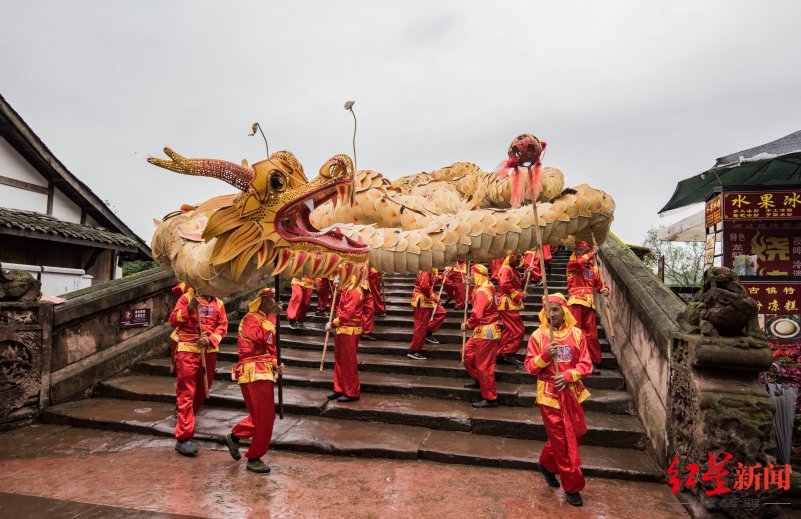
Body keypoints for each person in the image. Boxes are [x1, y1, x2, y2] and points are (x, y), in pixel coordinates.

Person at [524, 293, 592, 507]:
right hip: (549, 395)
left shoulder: (578, 334)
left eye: (555, 309)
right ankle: (572, 486)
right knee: (563, 440)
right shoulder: (538, 336)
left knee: (576, 433)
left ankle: (546, 463)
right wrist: (545, 355)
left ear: (564, 311)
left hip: (573, 392)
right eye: (548, 309)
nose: (551, 314)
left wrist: (569, 375)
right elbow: (530, 367)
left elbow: (586, 364)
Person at [225, 288, 285, 474]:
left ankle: (235, 437)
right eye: (272, 300)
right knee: (265, 417)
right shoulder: (251, 319)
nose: (275, 302)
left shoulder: (267, 321)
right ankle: (254, 456)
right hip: (253, 372)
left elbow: (270, 348)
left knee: (262, 416)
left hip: (264, 371)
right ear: (263, 301)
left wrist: (275, 364)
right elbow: (259, 337)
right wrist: (273, 316)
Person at [168, 288, 228, 456]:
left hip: (208, 352)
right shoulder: (187, 297)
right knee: (187, 391)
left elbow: (223, 325)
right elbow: (172, 320)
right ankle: (183, 437)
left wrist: (211, 339)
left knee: (202, 391)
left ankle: (185, 419)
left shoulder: (219, 302)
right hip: (187, 349)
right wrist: (188, 308)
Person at [460, 264, 501, 408]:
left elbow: (477, 315)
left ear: (478, 275)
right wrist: (470, 286)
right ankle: (479, 380)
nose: (469, 277)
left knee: (484, 365)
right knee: (467, 354)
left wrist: (467, 325)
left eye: (472, 275)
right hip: (481, 329)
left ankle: (490, 398)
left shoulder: (482, 291)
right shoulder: (487, 285)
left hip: (486, 331)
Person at [566, 242, 609, 370]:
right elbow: (579, 263)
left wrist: (605, 290)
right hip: (575, 302)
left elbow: (601, 285)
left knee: (591, 335)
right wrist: (592, 253)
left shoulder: (594, 269)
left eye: (583, 250)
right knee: (574, 333)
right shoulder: (572, 265)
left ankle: (590, 362)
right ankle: (573, 361)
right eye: (578, 250)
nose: (580, 252)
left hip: (590, 305)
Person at [326, 268, 365, 402]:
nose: (337, 277)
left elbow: (347, 314)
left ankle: (352, 391)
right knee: (339, 359)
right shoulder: (346, 287)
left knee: (348, 362)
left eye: (339, 275)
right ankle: (339, 388)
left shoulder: (354, 289)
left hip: (350, 329)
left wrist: (332, 324)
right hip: (343, 329)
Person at [407, 268, 447, 360]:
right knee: (420, 326)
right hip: (422, 301)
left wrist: (442, 276)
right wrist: (434, 297)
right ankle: (414, 350)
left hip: (428, 300)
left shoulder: (431, 267)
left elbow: (432, 281)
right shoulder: (426, 269)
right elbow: (424, 286)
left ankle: (427, 332)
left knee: (441, 312)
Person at [497, 250, 525, 366]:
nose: (519, 260)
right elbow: (504, 284)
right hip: (508, 303)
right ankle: (509, 353)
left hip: (511, 303)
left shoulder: (514, 271)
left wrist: (527, 275)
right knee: (518, 330)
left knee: (509, 330)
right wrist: (518, 294)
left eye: (520, 258)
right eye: (517, 257)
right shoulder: (506, 269)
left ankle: (502, 354)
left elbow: (518, 285)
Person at [360, 276, 377, 341]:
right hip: (356, 284)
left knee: (370, 309)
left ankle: (365, 331)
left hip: (365, 284)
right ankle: (363, 331)